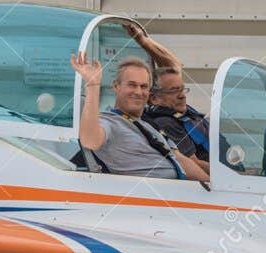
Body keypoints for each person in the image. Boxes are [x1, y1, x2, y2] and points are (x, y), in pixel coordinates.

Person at [70, 53, 208, 181]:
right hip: (149, 198)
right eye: (132, 85)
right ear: (116, 86)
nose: (138, 92)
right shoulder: (110, 121)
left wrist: (210, 186)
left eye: (143, 86)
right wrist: (93, 85)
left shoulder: (149, 126)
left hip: (181, 192)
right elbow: (90, 140)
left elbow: (180, 160)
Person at [122, 26, 215, 164]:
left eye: (182, 90)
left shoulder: (178, 110)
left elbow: (174, 65)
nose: (182, 96)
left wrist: (142, 40)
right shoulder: (166, 123)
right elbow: (194, 164)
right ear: (154, 98)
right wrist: (232, 176)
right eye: (173, 91)